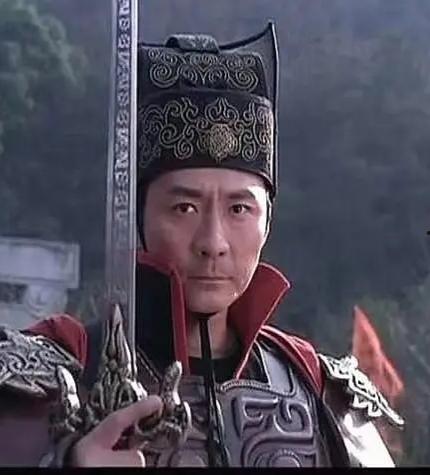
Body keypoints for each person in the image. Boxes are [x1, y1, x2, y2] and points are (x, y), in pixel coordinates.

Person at [0, 24, 403, 467]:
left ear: (267, 221)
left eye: (239, 209)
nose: (213, 242)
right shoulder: (55, 369)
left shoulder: (316, 387)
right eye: (184, 208)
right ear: (138, 217)